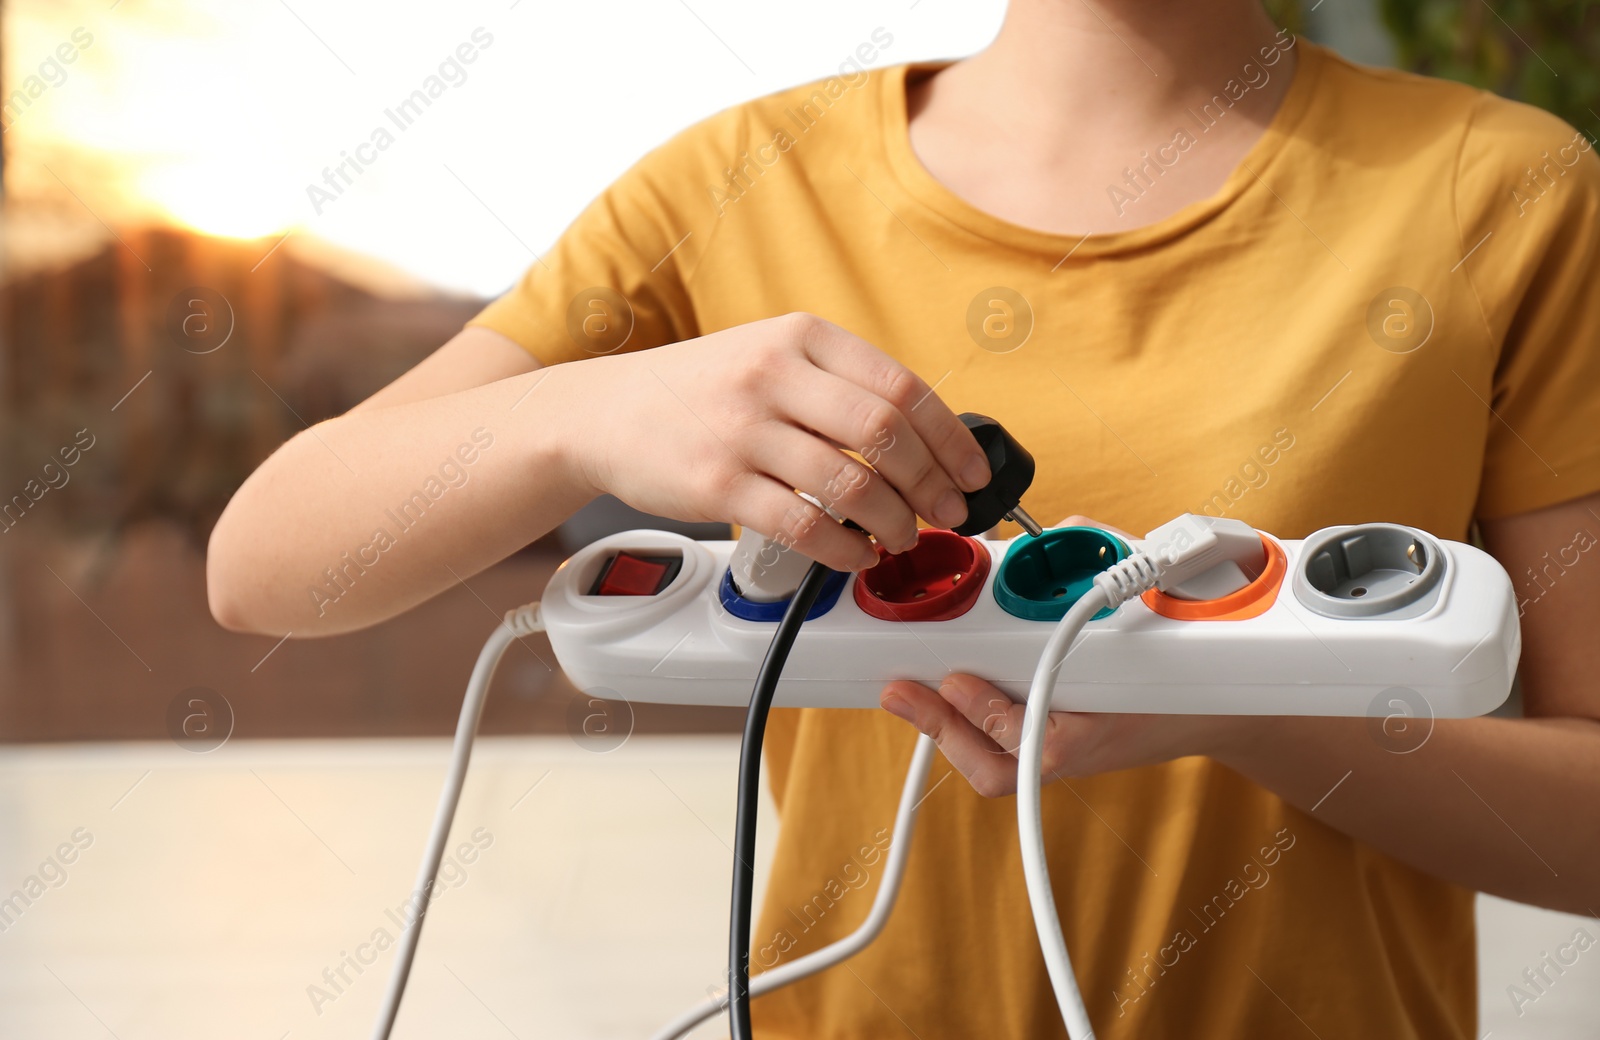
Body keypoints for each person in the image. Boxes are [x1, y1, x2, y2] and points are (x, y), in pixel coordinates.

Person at [207, 0, 1600, 1035]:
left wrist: (1237, 707)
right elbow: (267, 565)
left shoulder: (1502, 192)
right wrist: (592, 414)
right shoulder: (735, 185)